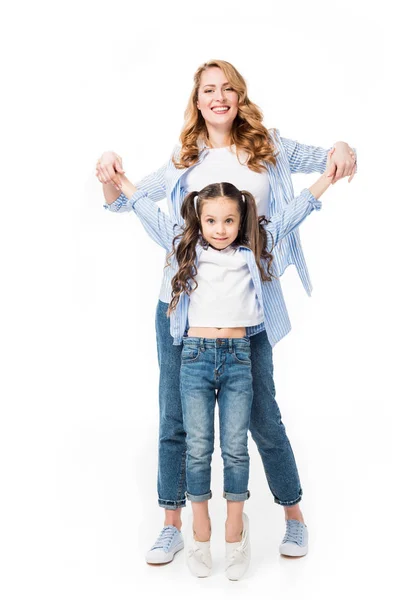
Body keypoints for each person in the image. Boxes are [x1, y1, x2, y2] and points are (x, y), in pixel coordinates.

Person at [96, 59, 357, 565]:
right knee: (175, 417)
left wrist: (344, 148)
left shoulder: (269, 147)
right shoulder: (183, 157)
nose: (219, 97)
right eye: (208, 90)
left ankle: (294, 516)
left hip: (249, 310)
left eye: (228, 89)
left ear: (240, 96)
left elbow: (329, 161)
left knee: (263, 416)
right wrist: (109, 170)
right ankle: (173, 522)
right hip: (181, 313)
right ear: (196, 102)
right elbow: (127, 202)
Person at [109, 157, 335, 578]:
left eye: (228, 220)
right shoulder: (183, 244)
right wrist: (118, 178)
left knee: (237, 446)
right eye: (211, 220)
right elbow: (144, 207)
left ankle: (236, 530)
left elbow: (295, 212)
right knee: (197, 447)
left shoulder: (256, 244)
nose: (219, 229)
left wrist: (326, 178)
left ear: (241, 219)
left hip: (238, 356)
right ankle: (198, 528)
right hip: (193, 356)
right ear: (199, 218)